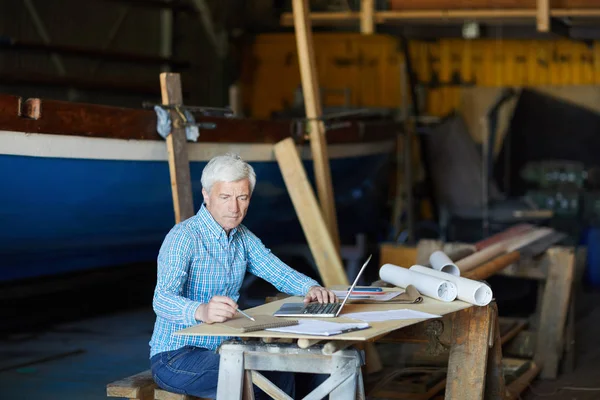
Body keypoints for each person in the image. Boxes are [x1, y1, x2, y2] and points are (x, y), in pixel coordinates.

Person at [149, 153, 337, 399]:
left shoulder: (243, 236)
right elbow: (161, 299)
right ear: (206, 195)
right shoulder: (184, 236)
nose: (234, 208)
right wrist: (201, 311)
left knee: (314, 371)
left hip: (226, 348)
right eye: (225, 197)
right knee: (269, 376)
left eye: (242, 197)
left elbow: (276, 270)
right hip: (176, 356)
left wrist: (311, 287)